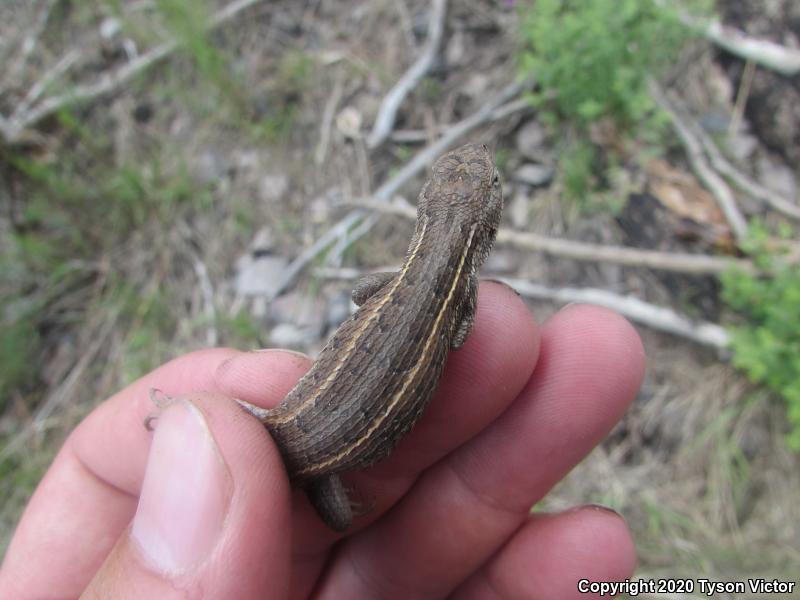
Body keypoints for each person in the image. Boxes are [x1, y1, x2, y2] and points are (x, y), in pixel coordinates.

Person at [0, 282, 644, 598]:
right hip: (313, 455)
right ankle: (186, 424)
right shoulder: (461, 301)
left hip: (297, 438)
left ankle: (179, 418)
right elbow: (456, 334)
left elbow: (370, 296)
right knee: (289, 475)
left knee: (241, 430)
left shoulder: (405, 281)